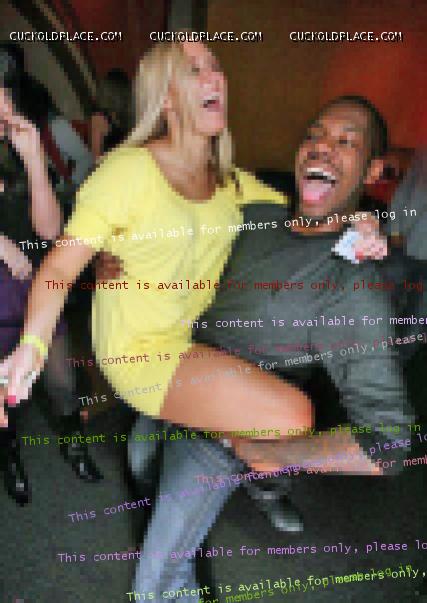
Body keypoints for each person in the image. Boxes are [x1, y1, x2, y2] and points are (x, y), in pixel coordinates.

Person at [0, 42, 385, 479]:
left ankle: (185, 439)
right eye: (194, 69)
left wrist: (360, 220)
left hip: (195, 338)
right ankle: (230, 450)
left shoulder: (231, 183)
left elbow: (310, 215)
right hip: (138, 352)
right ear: (166, 97)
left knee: (278, 415)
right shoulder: (126, 172)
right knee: (292, 416)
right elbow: (58, 267)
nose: (213, 76)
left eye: (215, 66)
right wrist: (32, 346)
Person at [122, 96, 415, 600]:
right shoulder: (255, 213)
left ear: (371, 171)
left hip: (220, 433)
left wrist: (268, 451)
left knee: (156, 585)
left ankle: (265, 483)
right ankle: (255, 486)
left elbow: (388, 444)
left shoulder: (352, 284)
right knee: (139, 465)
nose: (322, 146)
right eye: (314, 134)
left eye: (345, 141)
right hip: (169, 375)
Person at [0, 57, 102, 505]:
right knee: (5, 396)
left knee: (61, 382)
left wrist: (34, 161)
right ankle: (10, 457)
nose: (3, 109)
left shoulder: (22, 148)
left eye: (6, 98)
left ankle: (74, 443)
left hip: (34, 291)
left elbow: (48, 230)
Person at [90, 68, 132, 161]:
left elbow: (96, 157)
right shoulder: (132, 113)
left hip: (112, 165)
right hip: (131, 162)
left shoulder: (99, 118)